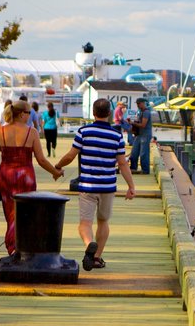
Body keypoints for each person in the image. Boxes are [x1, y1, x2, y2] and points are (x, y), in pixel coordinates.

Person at [54, 98, 135, 271]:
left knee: (85, 223)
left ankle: (89, 243)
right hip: (107, 186)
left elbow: (70, 155)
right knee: (103, 221)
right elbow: (122, 163)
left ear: (93, 112)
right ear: (109, 114)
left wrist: (58, 167)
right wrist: (131, 186)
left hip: (88, 186)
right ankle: (96, 256)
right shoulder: (117, 135)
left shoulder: (84, 132)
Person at [0, 99, 60, 256]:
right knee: (24, 214)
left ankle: (12, 247)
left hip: (6, 176)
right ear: (22, 114)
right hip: (26, 177)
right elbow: (41, 160)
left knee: (10, 213)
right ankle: (18, 247)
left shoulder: (0, 131)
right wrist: (55, 172)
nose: (29, 116)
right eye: (28, 113)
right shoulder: (31, 132)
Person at [127, 98, 152, 174]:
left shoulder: (146, 112)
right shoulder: (140, 112)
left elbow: (143, 125)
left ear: (143, 103)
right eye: (137, 103)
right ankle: (133, 168)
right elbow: (139, 123)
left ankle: (145, 170)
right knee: (134, 152)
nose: (138, 105)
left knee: (143, 153)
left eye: (139, 103)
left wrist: (132, 123)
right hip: (139, 135)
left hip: (145, 135)